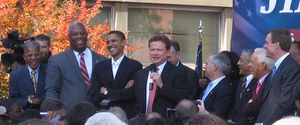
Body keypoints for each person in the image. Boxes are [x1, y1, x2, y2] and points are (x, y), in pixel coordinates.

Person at [121, 35, 190, 117]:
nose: (155, 53)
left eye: (159, 50)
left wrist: (162, 85)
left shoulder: (179, 72)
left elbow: (183, 99)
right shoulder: (140, 74)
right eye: (152, 50)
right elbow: (133, 98)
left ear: (167, 52)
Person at [45, 22, 107, 107]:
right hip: (69, 113)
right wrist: (52, 109)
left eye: (82, 33)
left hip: (97, 111)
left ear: (87, 35)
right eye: (75, 34)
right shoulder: (57, 60)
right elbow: (52, 89)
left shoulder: (102, 60)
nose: (79, 37)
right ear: (69, 37)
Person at [87, 30, 142, 117]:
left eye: (114, 41)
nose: (110, 44)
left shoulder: (135, 66)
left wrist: (105, 92)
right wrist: (122, 91)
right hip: (104, 115)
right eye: (108, 42)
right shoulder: (99, 67)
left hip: (126, 116)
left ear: (123, 42)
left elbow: (131, 94)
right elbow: (92, 95)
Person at [256, 29, 300, 124]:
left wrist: (265, 123)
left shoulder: (292, 68)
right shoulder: (276, 67)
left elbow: (285, 102)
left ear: (277, 45)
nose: (264, 46)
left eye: (267, 43)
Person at [9, 40, 47, 109]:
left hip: (46, 114)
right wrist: (27, 101)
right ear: (24, 57)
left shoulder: (49, 71)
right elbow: (13, 99)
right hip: (25, 115)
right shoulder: (15, 75)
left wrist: (40, 100)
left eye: (36, 54)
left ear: (41, 55)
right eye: (30, 55)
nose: (33, 58)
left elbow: (54, 92)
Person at [243, 48, 274, 124]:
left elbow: (254, 107)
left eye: (252, 62)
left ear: (262, 65)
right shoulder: (257, 81)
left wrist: (250, 104)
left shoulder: (270, 83)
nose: (249, 65)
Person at [199, 53, 234, 119]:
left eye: (207, 64)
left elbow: (218, 115)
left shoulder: (225, 89)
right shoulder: (208, 84)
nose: (204, 66)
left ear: (215, 67)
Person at [230, 49, 257, 125]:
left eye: (241, 60)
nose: (238, 63)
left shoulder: (258, 83)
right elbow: (236, 106)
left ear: (249, 63)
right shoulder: (241, 81)